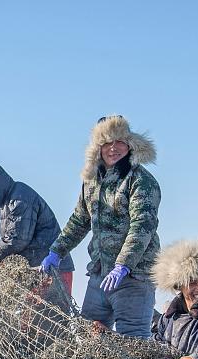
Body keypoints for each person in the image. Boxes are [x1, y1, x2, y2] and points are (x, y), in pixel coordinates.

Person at [42, 115, 161, 337]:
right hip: (100, 275)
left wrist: (123, 265)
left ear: (130, 144)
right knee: (89, 337)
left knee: (134, 342)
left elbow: (142, 225)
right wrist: (56, 251)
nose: (113, 148)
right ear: (98, 147)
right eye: (106, 142)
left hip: (134, 277)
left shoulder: (140, 180)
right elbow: (80, 219)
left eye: (119, 142)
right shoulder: (91, 181)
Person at [0, 159, 75, 292]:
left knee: (51, 306)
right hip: (35, 271)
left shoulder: (20, 198)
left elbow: (18, 238)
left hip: (53, 270)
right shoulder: (7, 203)